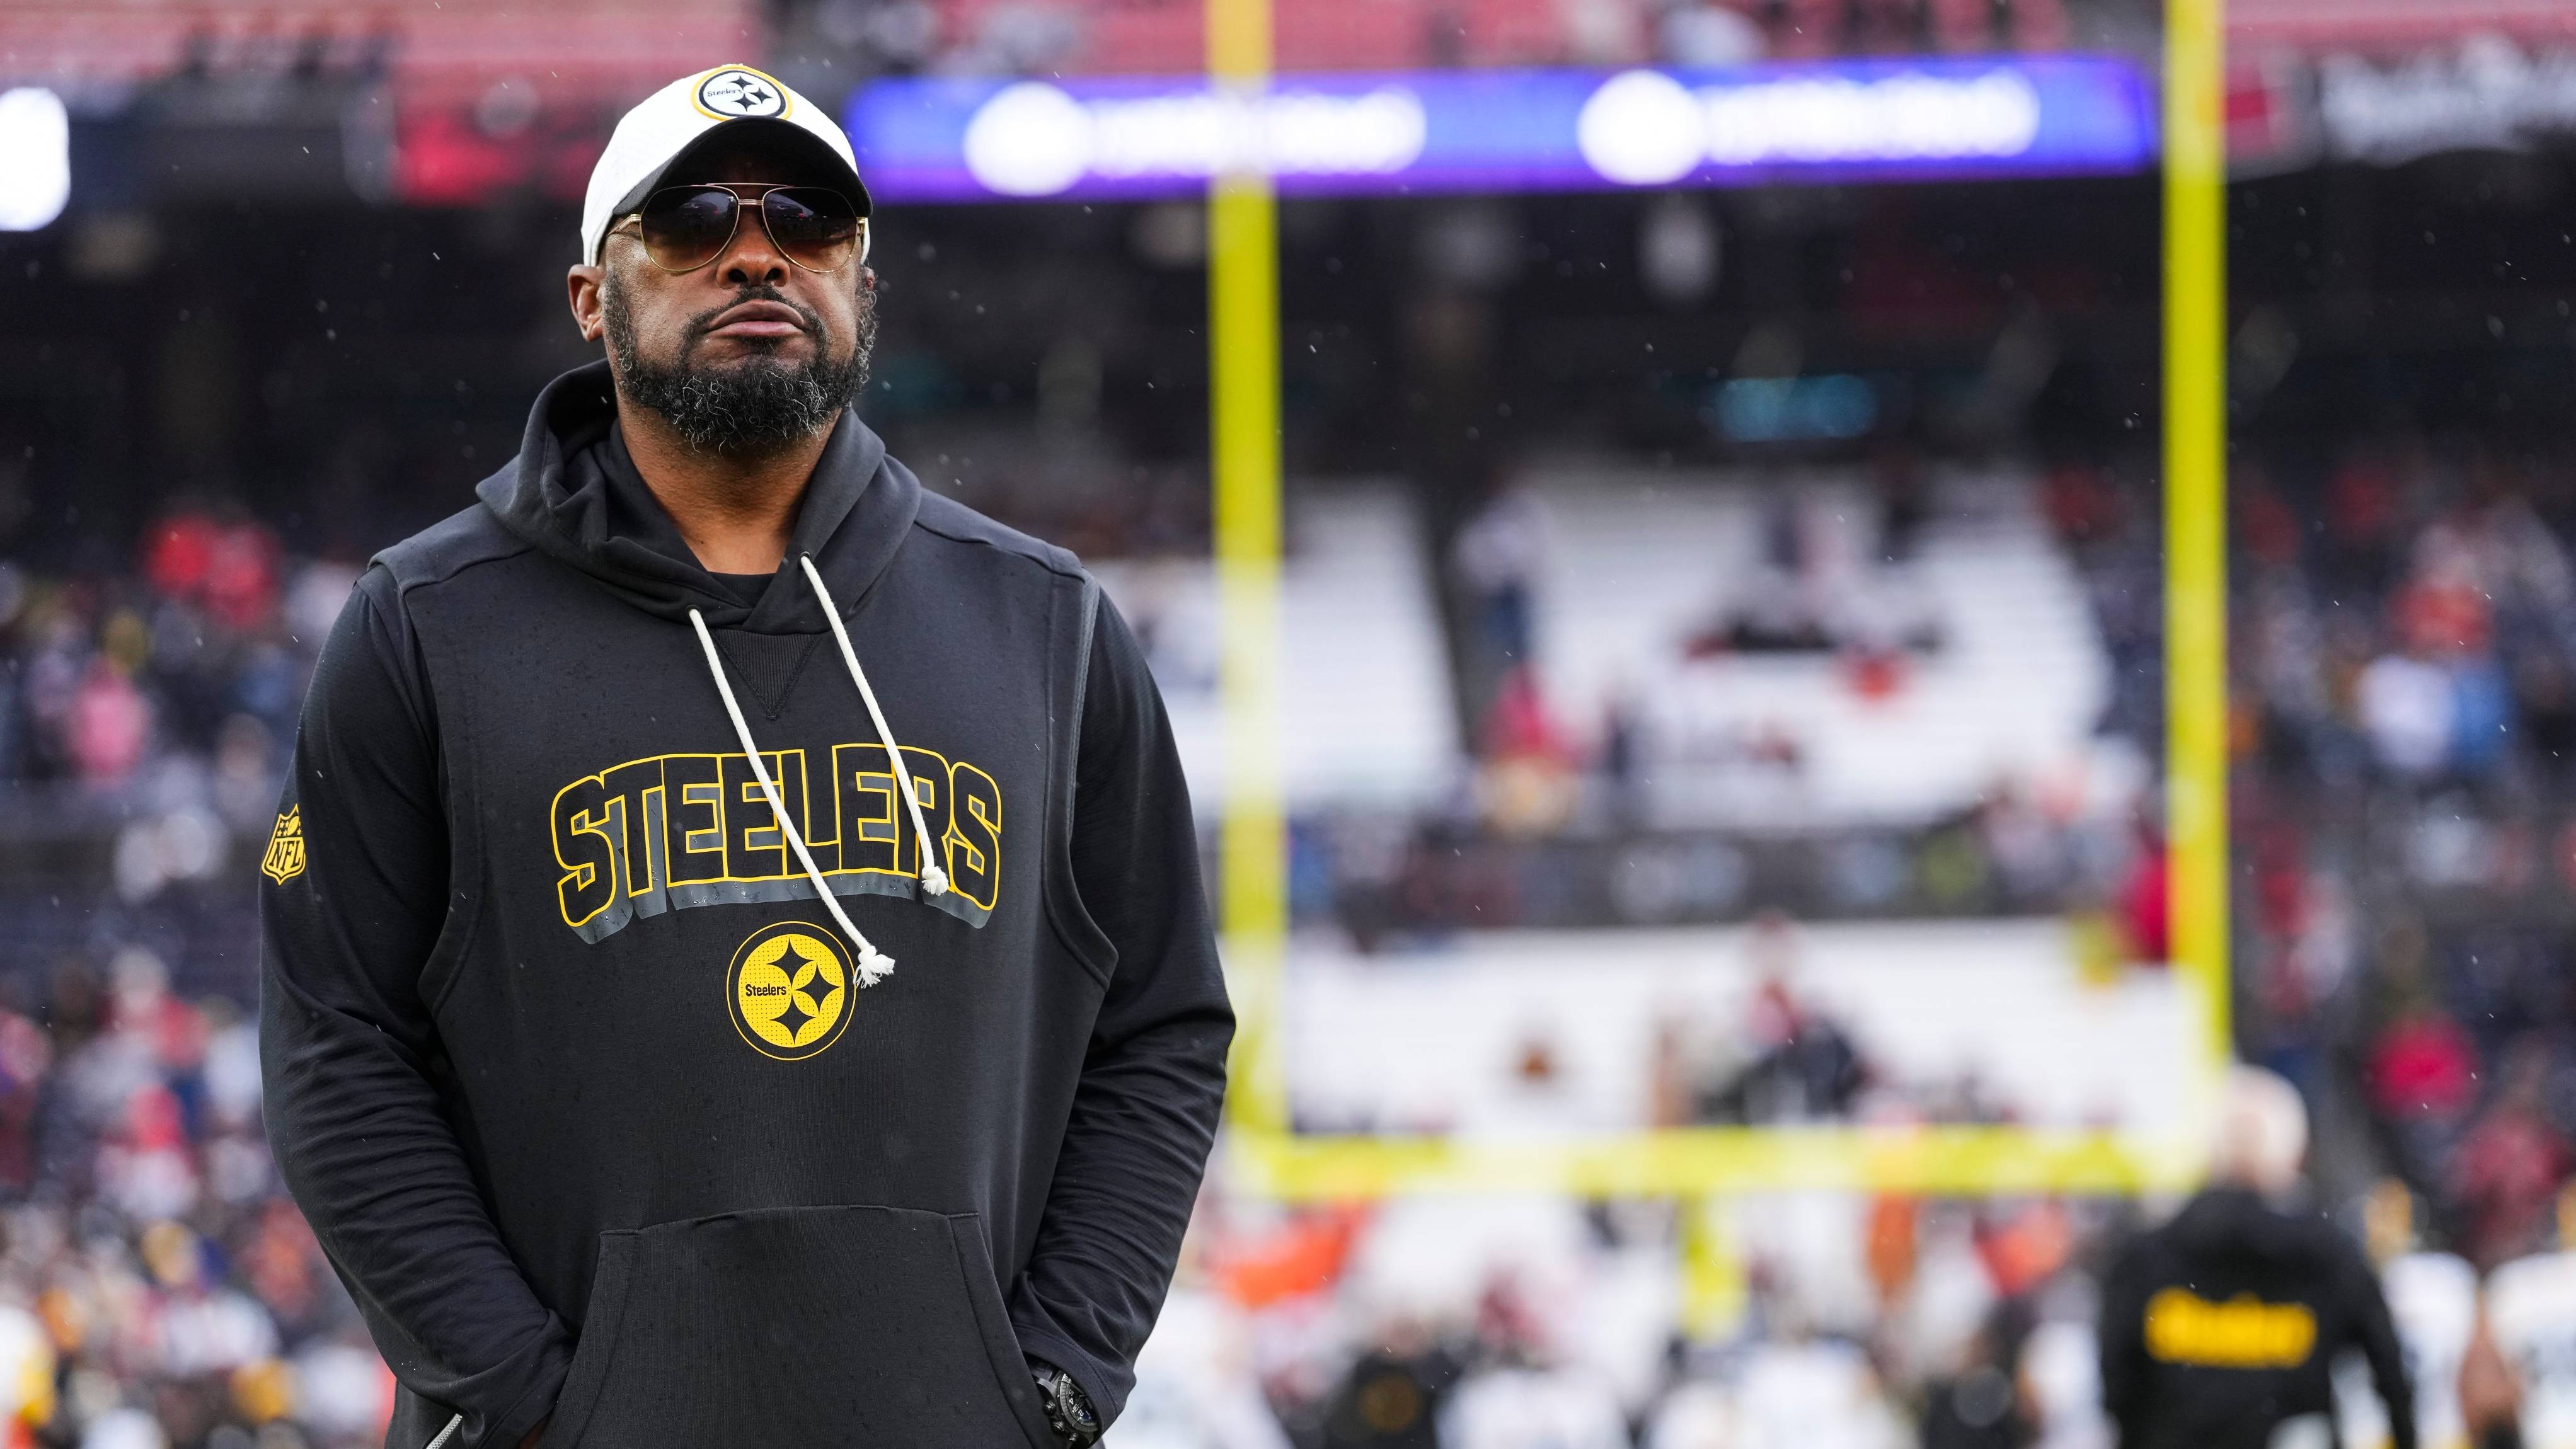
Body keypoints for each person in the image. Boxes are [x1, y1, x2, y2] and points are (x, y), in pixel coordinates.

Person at [259, 64, 1233, 1449]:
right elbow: (335, 1051)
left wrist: (1061, 1373)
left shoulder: (1043, 622)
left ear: (862, 286)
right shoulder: (424, 627)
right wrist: (531, 1402)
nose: (757, 253)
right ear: (591, 296)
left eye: (808, 220)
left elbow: (1161, 1028)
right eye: (692, 220)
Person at [2098, 1067, 2415, 1449]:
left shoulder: (2147, 1256)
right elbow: (2391, 1374)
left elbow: (2116, 1385)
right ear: (2294, 1153)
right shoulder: (2327, 1255)